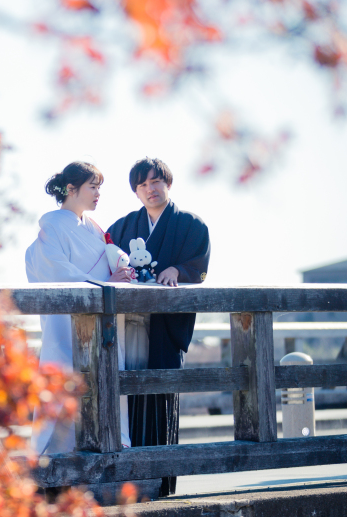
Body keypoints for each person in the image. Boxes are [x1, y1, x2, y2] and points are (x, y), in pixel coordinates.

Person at [107, 157, 210, 496]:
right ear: (135, 191)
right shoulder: (123, 227)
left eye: (156, 182)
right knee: (127, 398)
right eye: (143, 185)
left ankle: (160, 484)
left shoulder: (191, 225)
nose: (150, 189)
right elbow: (104, 256)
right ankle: (126, 479)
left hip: (164, 328)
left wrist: (178, 271)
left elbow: (198, 263)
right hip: (129, 327)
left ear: (168, 183)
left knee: (160, 397)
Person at [25, 161, 134, 456]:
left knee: (104, 384)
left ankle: (110, 446)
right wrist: (108, 281)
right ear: (71, 189)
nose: (98, 193)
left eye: (100, 187)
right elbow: (59, 275)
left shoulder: (92, 228)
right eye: (93, 187)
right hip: (66, 330)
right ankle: (57, 460)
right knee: (66, 387)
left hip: (103, 324)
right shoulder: (53, 229)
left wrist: (121, 273)